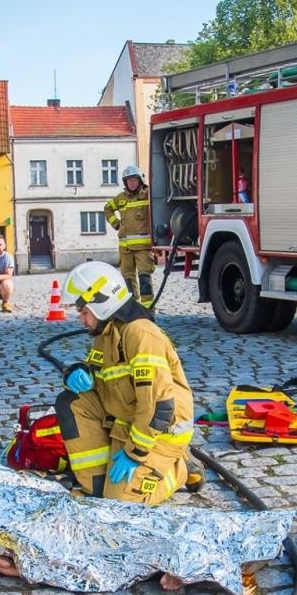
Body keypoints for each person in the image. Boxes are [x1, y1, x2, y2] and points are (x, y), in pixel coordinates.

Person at [55, 260, 194, 506]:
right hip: (127, 423)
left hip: (160, 434)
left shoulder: (141, 334)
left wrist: (135, 453)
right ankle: (96, 485)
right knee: (72, 401)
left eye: (84, 312)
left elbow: (158, 406)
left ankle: (180, 468)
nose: (81, 320)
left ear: (102, 304)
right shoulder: (107, 334)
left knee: (121, 504)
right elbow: (94, 374)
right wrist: (77, 372)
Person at [104, 165, 154, 307]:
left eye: (134, 180)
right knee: (127, 280)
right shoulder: (120, 198)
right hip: (125, 249)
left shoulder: (147, 195)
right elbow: (107, 208)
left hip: (143, 248)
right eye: (129, 181)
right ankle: (133, 310)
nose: (132, 183)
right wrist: (115, 223)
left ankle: (148, 311)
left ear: (140, 181)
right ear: (125, 183)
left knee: (145, 279)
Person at [0, 234, 16, 312]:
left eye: (0, 245)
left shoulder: (8, 257)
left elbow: (9, 275)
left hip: (2, 286)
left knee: (7, 284)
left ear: (4, 246)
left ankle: (5, 303)